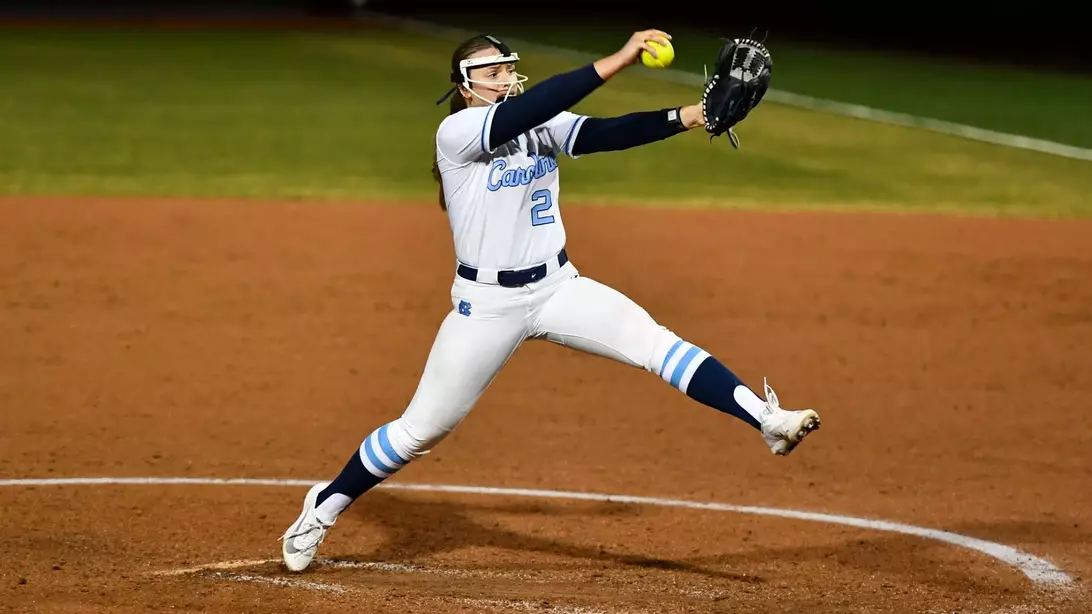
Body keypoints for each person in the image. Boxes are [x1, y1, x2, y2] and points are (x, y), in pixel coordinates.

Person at [281, 30, 820, 572]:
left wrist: (688, 116)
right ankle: (324, 506)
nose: (501, 79)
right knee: (420, 431)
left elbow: (606, 133)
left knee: (657, 344)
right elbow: (545, 101)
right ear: (465, 87)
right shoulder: (459, 131)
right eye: (487, 73)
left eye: (504, 69)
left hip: (560, 288)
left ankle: (767, 420)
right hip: (486, 304)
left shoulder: (537, 121)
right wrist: (621, 59)